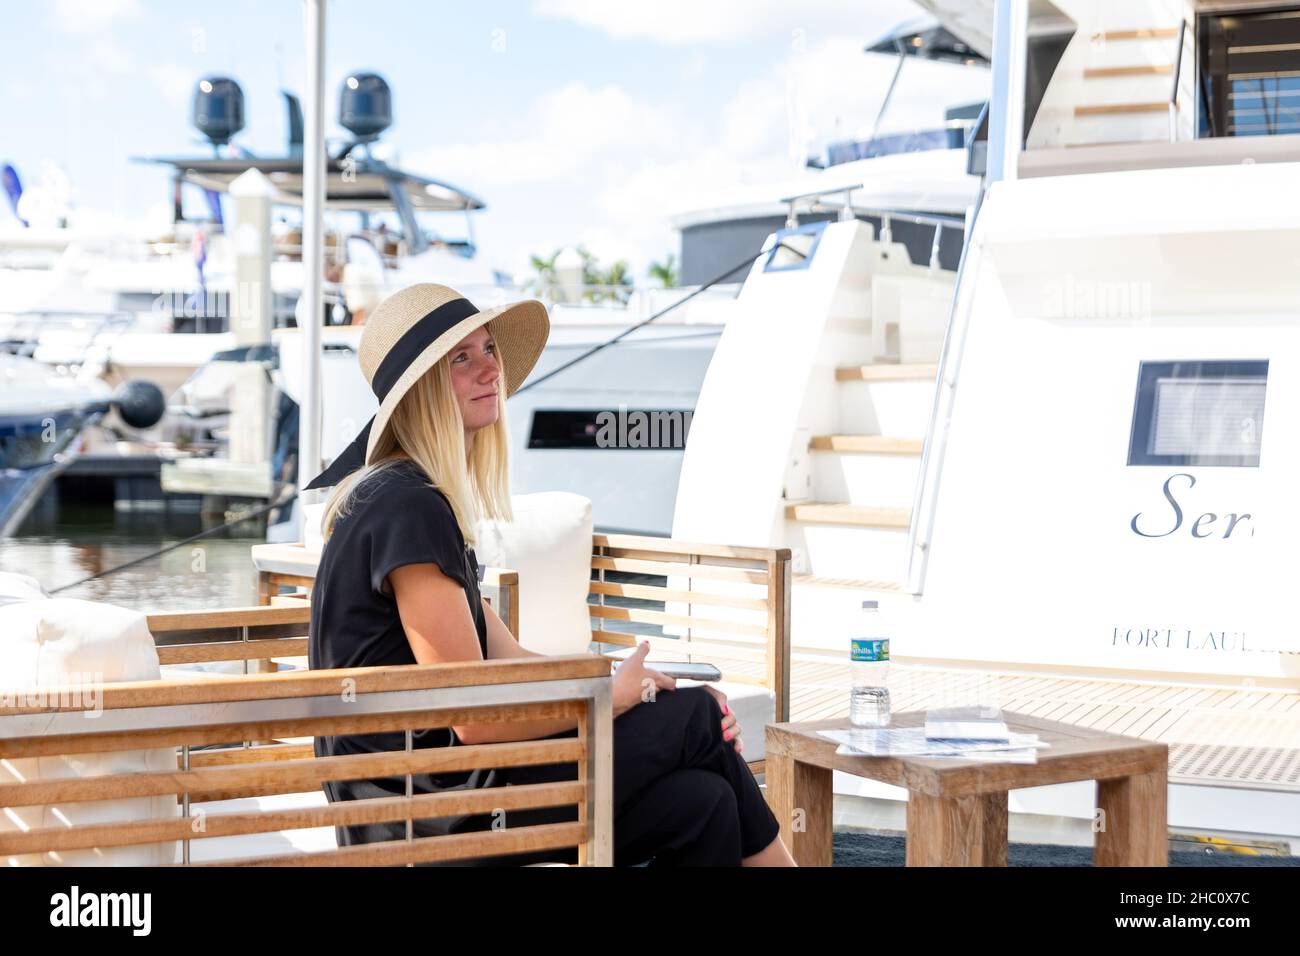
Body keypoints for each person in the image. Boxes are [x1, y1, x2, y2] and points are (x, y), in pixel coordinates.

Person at [304, 283, 794, 866]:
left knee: (700, 802)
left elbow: (507, 657)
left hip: (451, 789)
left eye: (488, 349)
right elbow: (475, 721)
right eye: (461, 358)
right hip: (423, 812)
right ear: (421, 390)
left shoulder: (421, 499)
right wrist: (608, 699)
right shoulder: (405, 506)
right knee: (700, 720)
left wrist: (629, 681)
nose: (490, 370)